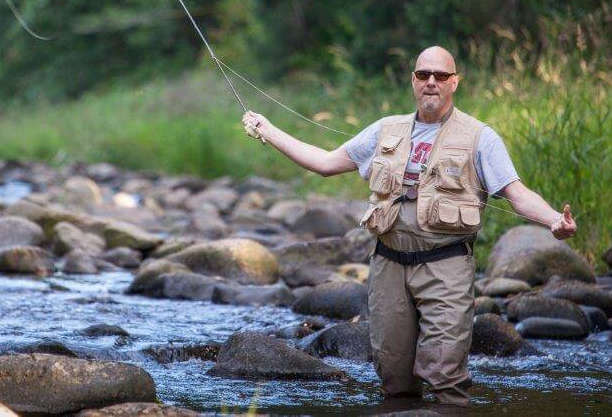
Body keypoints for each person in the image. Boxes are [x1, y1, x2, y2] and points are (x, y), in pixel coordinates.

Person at [241, 45, 576, 407]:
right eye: (423, 75)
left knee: (447, 380)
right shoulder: (385, 130)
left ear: (455, 83)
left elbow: (516, 192)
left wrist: (553, 220)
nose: (431, 82)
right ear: (413, 81)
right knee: (394, 377)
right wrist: (268, 130)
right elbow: (324, 162)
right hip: (388, 265)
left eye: (441, 76)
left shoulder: (481, 137)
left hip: (445, 266)